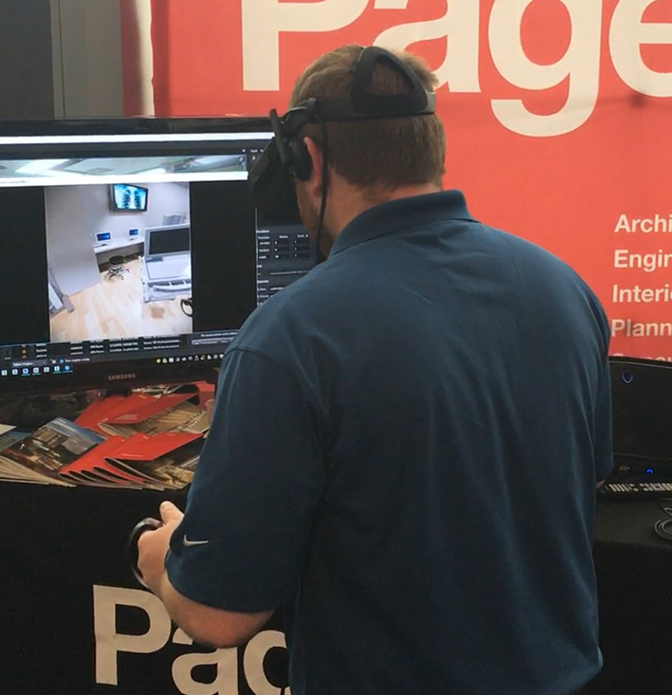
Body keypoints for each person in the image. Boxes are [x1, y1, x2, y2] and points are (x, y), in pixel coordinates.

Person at [135, 44, 613, 695]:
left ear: (307, 157)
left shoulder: (289, 338)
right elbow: (578, 478)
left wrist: (166, 564)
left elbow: (218, 616)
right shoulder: (565, 290)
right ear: (429, 149)